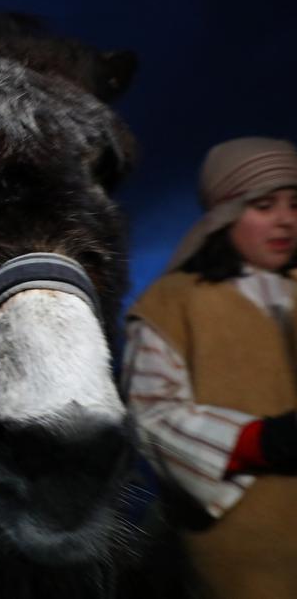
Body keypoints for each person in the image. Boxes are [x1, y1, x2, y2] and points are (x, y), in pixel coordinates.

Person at [124, 137, 297, 598]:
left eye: (295, 204)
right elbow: (151, 415)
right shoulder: (171, 303)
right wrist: (259, 442)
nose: (285, 220)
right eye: (264, 205)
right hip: (246, 551)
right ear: (226, 212)